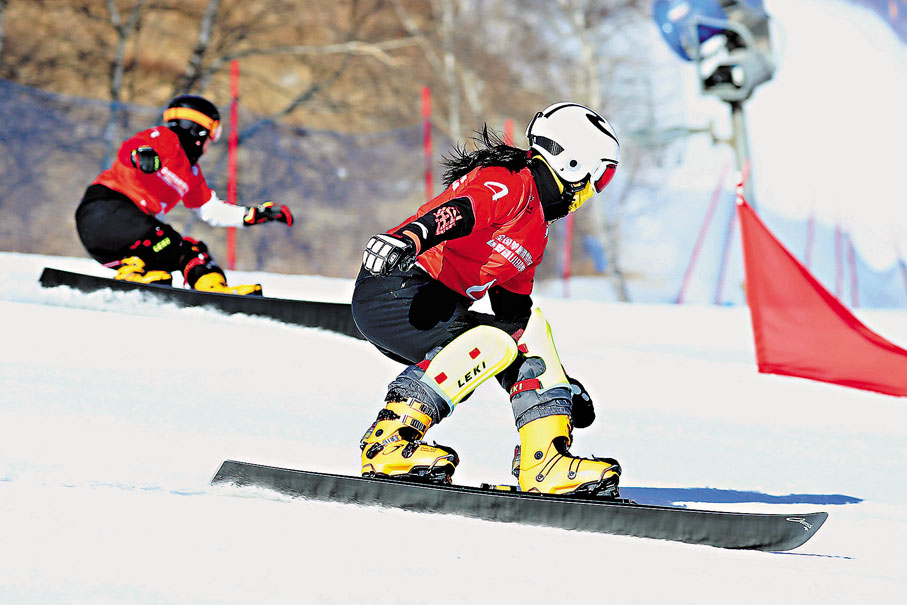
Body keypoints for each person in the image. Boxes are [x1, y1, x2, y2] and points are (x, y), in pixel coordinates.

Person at [352, 102, 622, 496]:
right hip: (399, 289)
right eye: (601, 178)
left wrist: (559, 386)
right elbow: (461, 211)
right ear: (574, 164)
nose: (593, 192)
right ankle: (389, 443)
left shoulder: (536, 231)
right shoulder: (512, 181)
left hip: (438, 306)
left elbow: (514, 315)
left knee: (529, 331)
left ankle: (545, 462)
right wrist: (410, 238)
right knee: (489, 344)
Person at [75, 94, 294, 295]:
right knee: (162, 236)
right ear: (199, 130)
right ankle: (134, 270)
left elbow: (211, 210)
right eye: (213, 133)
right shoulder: (166, 139)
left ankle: (213, 290)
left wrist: (254, 215)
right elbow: (132, 146)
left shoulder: (192, 175)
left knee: (189, 251)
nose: (211, 142)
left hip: (119, 246)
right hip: (103, 212)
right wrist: (141, 154)